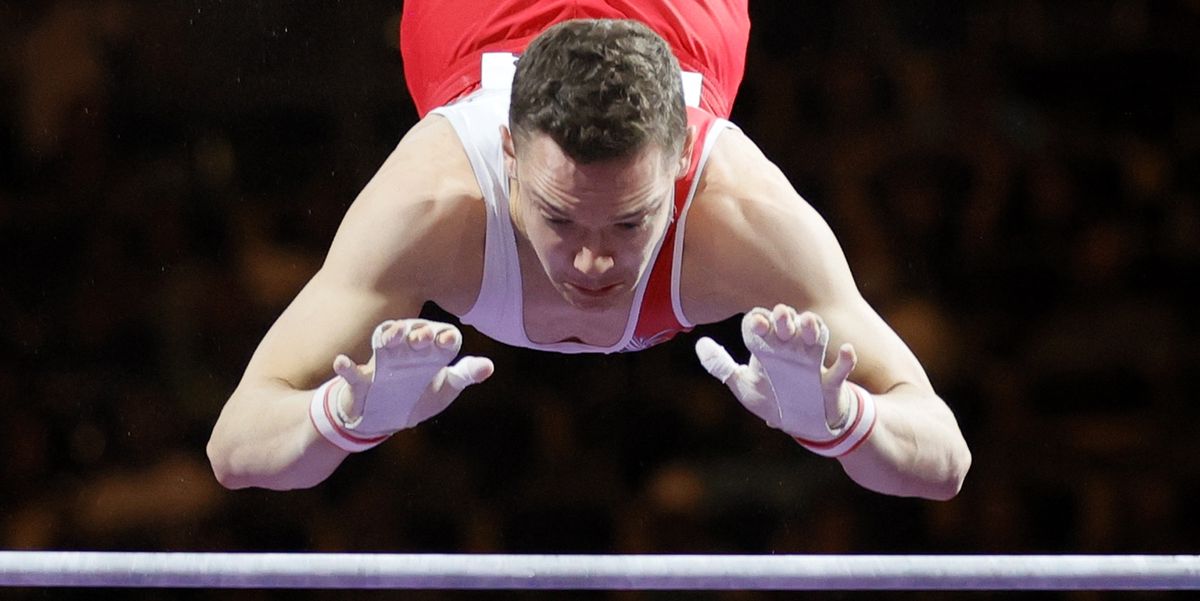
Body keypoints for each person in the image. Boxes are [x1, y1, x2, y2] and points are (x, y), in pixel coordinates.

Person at [207, 0, 971, 499]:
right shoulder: (435, 204)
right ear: (508, 152)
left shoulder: (740, 216)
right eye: (561, 218)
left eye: (631, 223)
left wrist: (840, 420)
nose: (591, 262)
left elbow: (946, 461)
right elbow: (234, 447)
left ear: (678, 165)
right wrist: (345, 414)